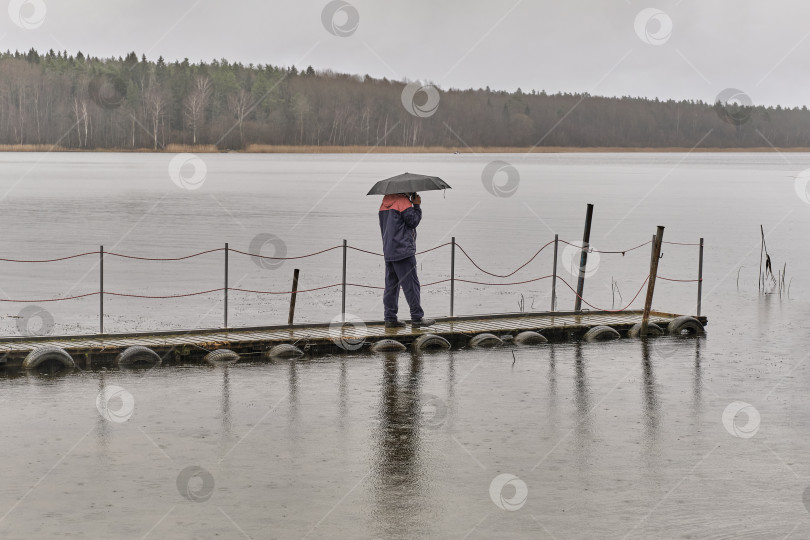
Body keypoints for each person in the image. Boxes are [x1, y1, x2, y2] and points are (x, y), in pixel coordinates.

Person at [378, 192, 436, 328]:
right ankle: (417, 318)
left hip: (389, 249)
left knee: (391, 286)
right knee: (411, 285)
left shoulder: (384, 203)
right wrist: (416, 206)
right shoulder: (403, 202)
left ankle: (390, 318)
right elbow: (413, 221)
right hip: (403, 250)